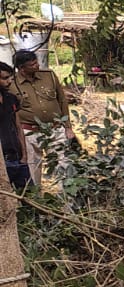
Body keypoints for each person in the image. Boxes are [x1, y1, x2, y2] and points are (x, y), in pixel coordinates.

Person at [8, 49, 75, 184]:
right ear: (21, 68)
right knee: (33, 169)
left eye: (36, 62)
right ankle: (36, 201)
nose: (37, 66)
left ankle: (68, 201)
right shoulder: (12, 84)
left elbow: (62, 101)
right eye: (32, 65)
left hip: (55, 129)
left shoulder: (48, 76)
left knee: (64, 165)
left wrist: (68, 127)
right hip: (29, 133)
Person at [0, 62, 32, 191]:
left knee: (29, 196)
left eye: (10, 78)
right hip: (3, 160)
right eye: (5, 78)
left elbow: (18, 128)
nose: (9, 82)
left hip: (16, 158)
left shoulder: (10, 99)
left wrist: (24, 155)